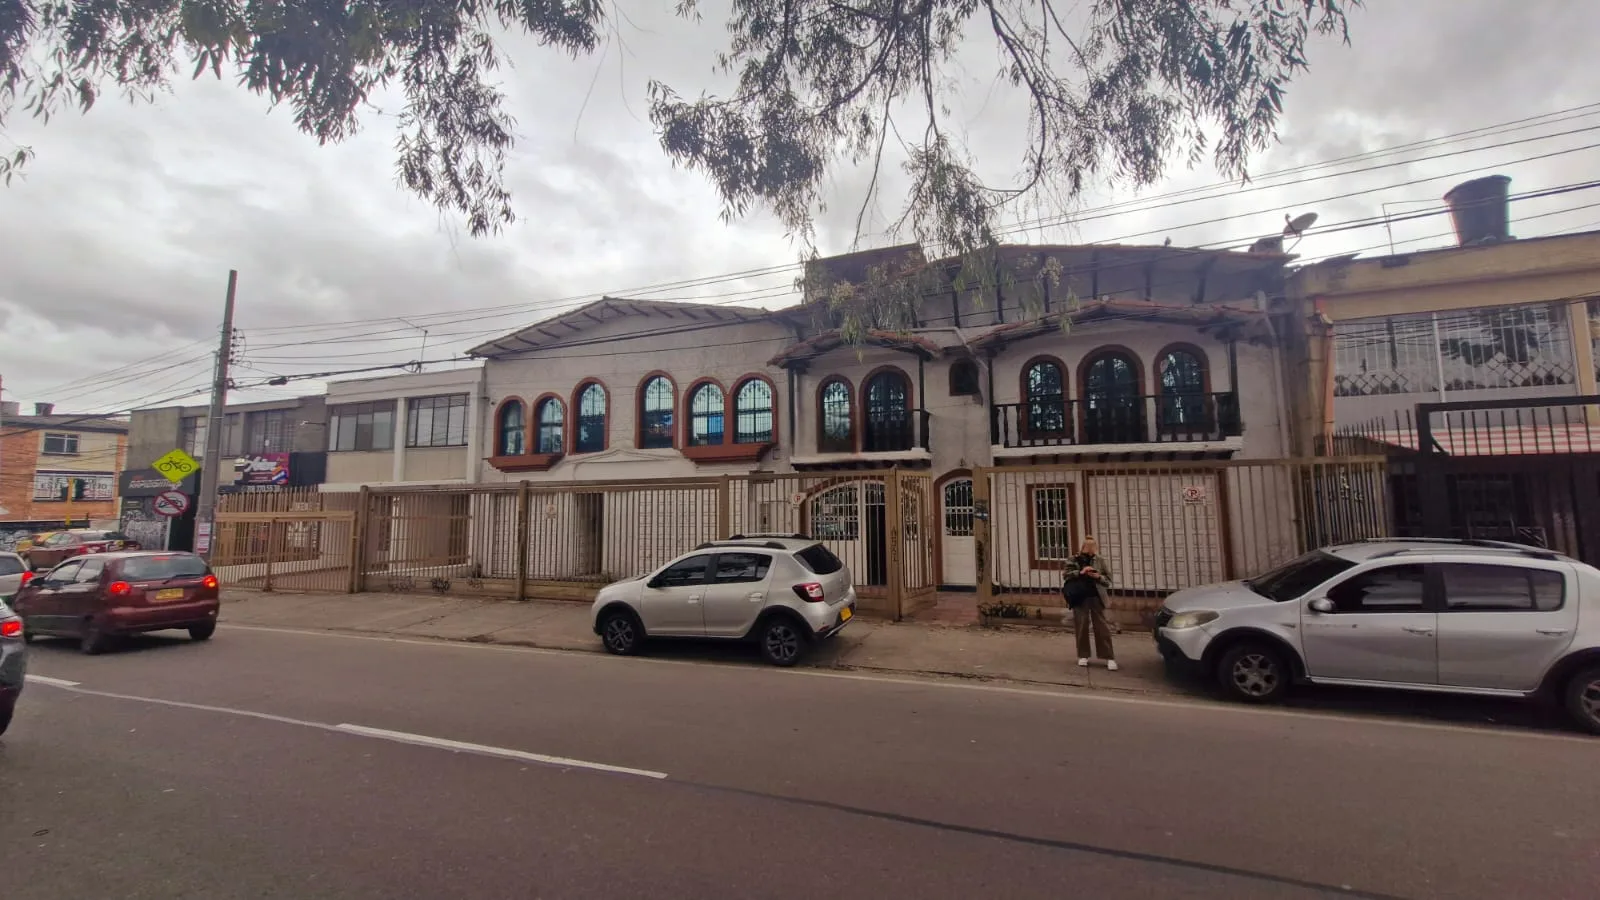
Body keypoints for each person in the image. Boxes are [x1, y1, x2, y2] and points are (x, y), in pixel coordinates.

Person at [1062, 536, 1116, 671]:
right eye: (1088, 547)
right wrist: (1081, 572)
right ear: (1083, 547)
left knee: (1102, 627)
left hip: (1096, 597)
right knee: (1081, 626)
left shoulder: (1100, 560)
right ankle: (1083, 655)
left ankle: (1108, 657)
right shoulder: (1074, 559)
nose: (1091, 550)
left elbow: (1108, 580)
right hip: (1080, 597)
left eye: (1093, 547)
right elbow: (1066, 575)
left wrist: (1098, 576)